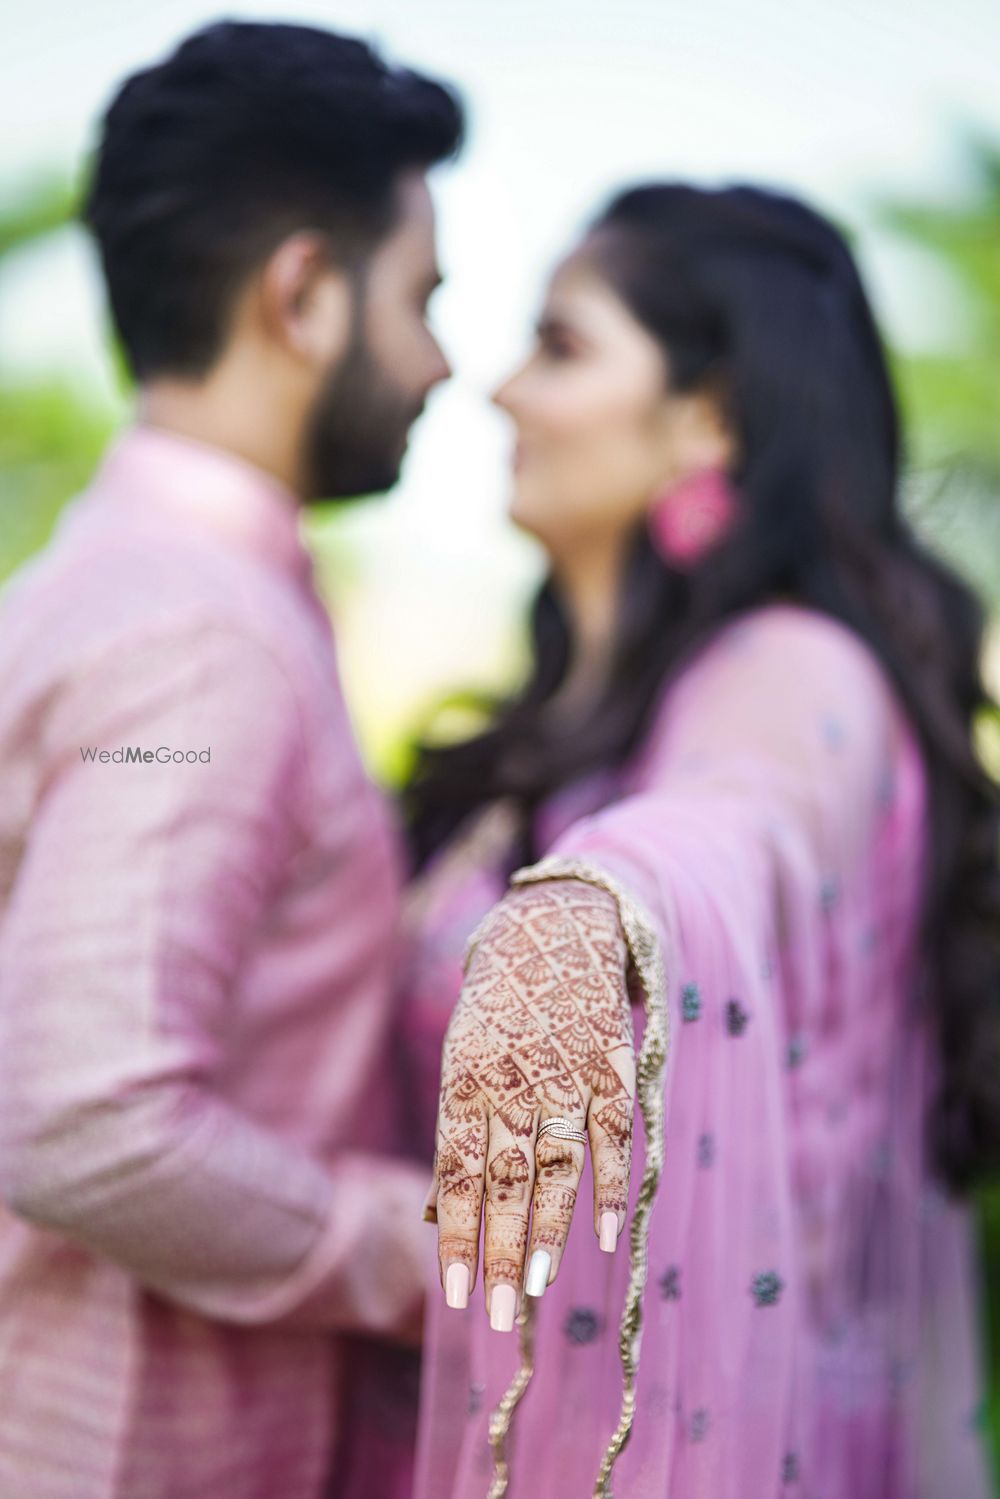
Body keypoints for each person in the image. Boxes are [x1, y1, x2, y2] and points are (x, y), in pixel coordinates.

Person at [401, 183, 1000, 1497]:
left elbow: (741, 818)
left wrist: (585, 904)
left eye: (560, 347)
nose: (503, 393)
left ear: (709, 416)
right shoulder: (564, 724)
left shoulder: (792, 670)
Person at [0, 21, 462, 1499]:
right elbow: (89, 1122)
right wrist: (433, 1250)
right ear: (305, 295)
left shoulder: (115, 580)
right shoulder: (202, 649)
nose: (445, 359)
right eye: (422, 297)